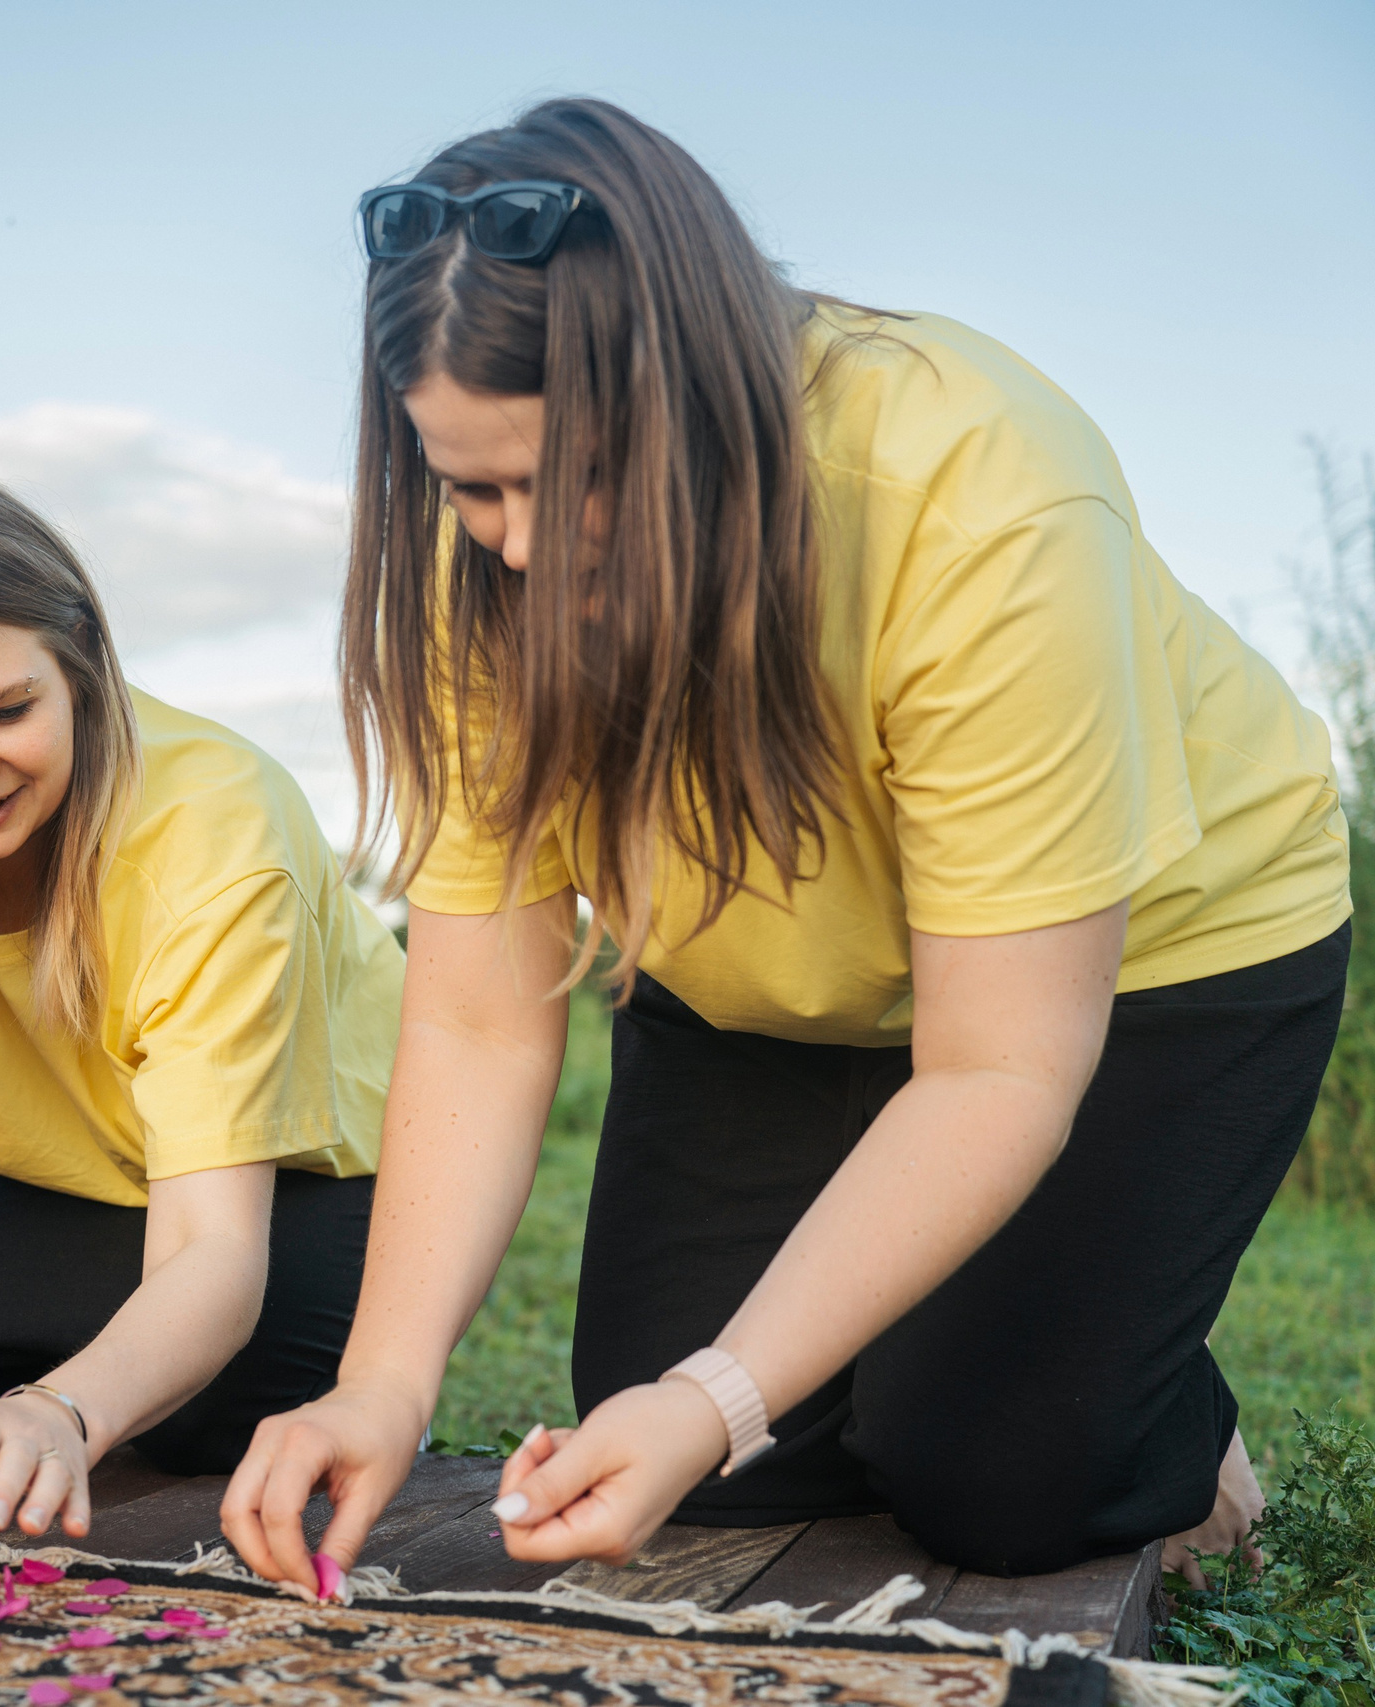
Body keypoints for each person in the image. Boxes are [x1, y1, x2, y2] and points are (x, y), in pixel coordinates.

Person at [220, 98, 1349, 1588]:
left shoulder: (984, 488)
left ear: (702, 405)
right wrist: (381, 1380)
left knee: (992, 1467)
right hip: (779, 979)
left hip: (1148, 959)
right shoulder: (481, 568)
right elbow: (483, 1011)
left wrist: (720, 1390)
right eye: (467, 485)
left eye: (568, 486)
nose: (513, 544)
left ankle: (1159, 1408)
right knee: (719, 1474)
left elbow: (996, 1063)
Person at [0, 460, 404, 1540]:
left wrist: (64, 1409)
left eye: (5, 711)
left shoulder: (215, 830)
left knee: (214, 1423)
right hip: (67, 1179)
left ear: (84, 666)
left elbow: (210, 1245)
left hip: (297, 1180)